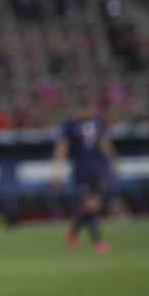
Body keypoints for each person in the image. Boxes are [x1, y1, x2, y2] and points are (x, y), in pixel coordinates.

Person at [51, 92, 119, 253]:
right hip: (81, 170)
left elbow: (104, 143)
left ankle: (73, 230)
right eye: (86, 109)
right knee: (90, 205)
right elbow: (62, 147)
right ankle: (98, 241)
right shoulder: (70, 126)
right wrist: (57, 170)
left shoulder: (97, 124)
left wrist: (113, 161)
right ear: (79, 109)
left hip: (98, 168)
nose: (89, 112)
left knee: (94, 205)